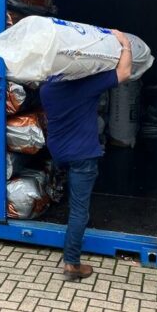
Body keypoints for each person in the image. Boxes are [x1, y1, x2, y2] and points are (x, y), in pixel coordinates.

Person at [40, 30, 133, 281]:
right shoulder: (85, 86)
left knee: (70, 189)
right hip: (82, 154)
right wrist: (124, 43)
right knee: (79, 209)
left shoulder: (47, 87)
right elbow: (124, 72)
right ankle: (72, 264)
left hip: (58, 152)